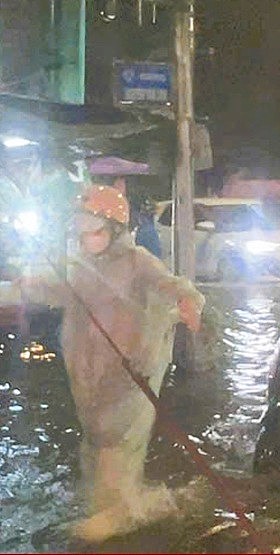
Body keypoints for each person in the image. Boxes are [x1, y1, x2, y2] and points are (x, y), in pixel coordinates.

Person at [7, 185, 204, 542]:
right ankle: (125, 505)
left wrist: (189, 301)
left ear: (114, 230)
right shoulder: (76, 265)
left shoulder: (137, 260)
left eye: (94, 230)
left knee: (118, 441)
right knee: (96, 440)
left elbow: (169, 285)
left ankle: (114, 518)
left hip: (131, 371)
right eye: (80, 230)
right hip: (88, 373)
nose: (86, 238)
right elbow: (50, 288)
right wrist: (22, 286)